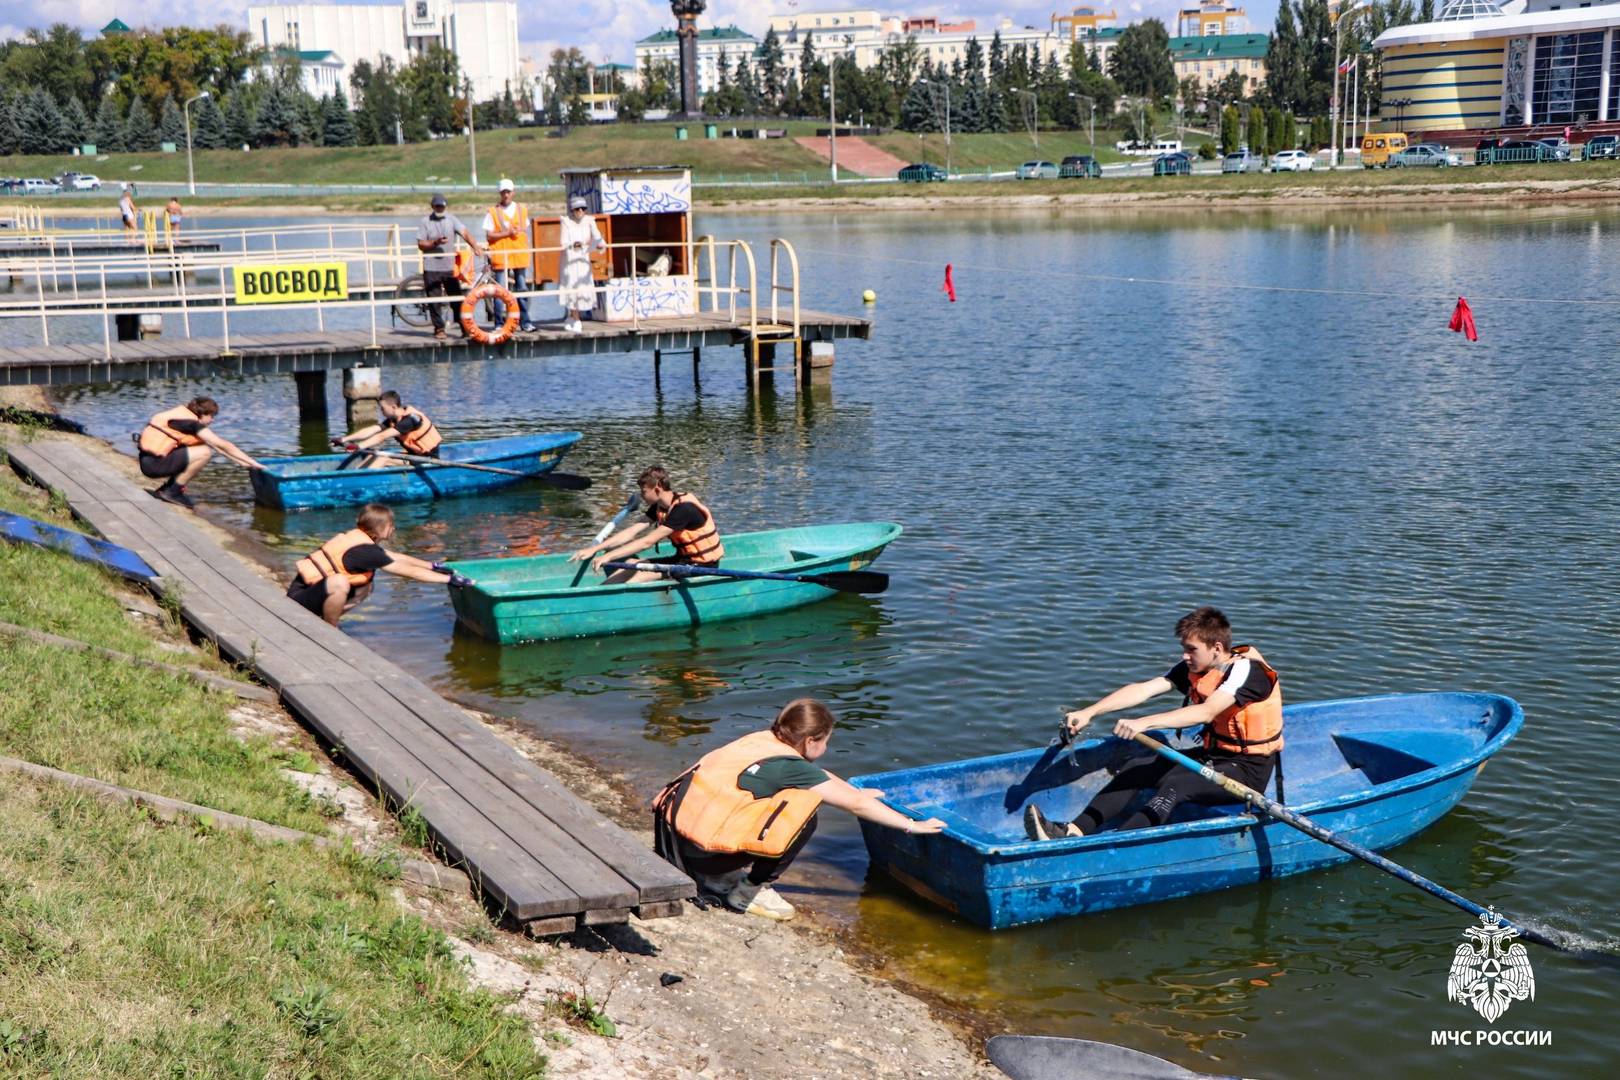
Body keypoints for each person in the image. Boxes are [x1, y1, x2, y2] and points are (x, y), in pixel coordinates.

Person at [653, 698, 946, 920]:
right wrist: (911, 825)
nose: (827, 748)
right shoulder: (788, 767)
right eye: (826, 741)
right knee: (803, 815)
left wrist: (852, 791)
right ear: (810, 740)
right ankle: (749, 891)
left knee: (798, 796)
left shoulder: (761, 741)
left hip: (673, 842)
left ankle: (715, 872)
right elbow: (854, 805)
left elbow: (816, 776)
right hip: (700, 858)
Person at [1024, 606, 1283, 841]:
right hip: (1213, 756)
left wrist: (1144, 723)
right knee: (1138, 768)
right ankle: (1072, 831)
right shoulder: (1196, 667)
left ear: (1216, 647)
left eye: (1191, 649)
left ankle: (1110, 846)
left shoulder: (1247, 671)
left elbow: (1206, 712)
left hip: (1249, 770)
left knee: (1176, 786)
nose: (1185, 656)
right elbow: (1144, 690)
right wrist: (1091, 711)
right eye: (1184, 648)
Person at [286, 503, 472, 627]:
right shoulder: (366, 551)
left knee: (367, 585)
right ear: (380, 528)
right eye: (391, 525)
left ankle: (327, 619)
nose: (393, 529)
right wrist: (448, 579)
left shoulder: (362, 540)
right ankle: (330, 629)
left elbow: (397, 557)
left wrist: (433, 565)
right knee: (339, 582)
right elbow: (406, 571)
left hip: (311, 594)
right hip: (296, 603)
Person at [568, 465, 721, 583]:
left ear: (657, 489)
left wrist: (607, 557)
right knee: (631, 563)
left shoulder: (683, 509)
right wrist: (596, 548)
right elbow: (631, 532)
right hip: (681, 561)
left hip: (702, 567)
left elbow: (647, 542)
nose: (641, 496)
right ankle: (599, 596)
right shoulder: (659, 507)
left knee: (639, 577)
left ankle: (614, 604)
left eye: (643, 492)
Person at [136, 396, 264, 508]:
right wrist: (254, 462)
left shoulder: (181, 417)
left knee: (202, 448)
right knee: (204, 452)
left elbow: (218, 448)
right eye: (212, 416)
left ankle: (168, 489)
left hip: (149, 461)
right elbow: (222, 444)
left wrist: (243, 463)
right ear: (203, 414)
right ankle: (173, 491)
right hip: (154, 465)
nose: (212, 420)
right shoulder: (191, 424)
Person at [416, 192, 484, 340]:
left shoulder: (452, 219)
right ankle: (439, 329)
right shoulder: (425, 221)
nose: (439, 208)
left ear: (445, 206)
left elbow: (465, 233)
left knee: (457, 299)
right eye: (437, 206)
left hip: (449, 267)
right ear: (432, 206)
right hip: (431, 267)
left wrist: (475, 246)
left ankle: (464, 327)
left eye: (442, 206)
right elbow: (421, 244)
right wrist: (435, 243)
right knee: (434, 300)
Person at [332, 391, 442, 467]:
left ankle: (363, 484)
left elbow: (382, 436)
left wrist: (358, 446)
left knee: (383, 458)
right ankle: (354, 478)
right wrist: (344, 439)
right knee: (372, 454)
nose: (381, 411)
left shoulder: (410, 420)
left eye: (383, 408)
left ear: (394, 407)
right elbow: (373, 429)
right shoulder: (393, 419)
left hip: (427, 460)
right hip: (414, 456)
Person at [482, 178, 535, 332]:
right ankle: (499, 323)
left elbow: (525, 230)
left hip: (518, 255)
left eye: (509, 192)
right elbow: (489, 236)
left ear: (513, 192)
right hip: (501, 256)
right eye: (504, 192)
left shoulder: (522, 209)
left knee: (522, 288)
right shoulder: (492, 212)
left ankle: (525, 322)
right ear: (500, 193)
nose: (506, 195)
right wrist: (507, 233)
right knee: (500, 291)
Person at [557, 194, 605, 333]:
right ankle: (575, 317)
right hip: (569, 259)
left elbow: (597, 237)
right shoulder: (566, 221)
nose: (580, 212)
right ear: (572, 210)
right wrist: (573, 244)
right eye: (577, 209)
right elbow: (563, 242)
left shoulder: (590, 221)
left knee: (581, 286)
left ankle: (574, 318)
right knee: (570, 286)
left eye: (583, 209)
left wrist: (599, 244)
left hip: (583, 258)